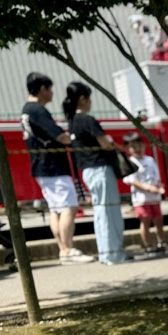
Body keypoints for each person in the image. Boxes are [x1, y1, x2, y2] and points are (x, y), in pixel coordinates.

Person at [21, 72, 94, 264]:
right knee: (69, 206)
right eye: (50, 89)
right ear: (42, 89)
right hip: (52, 166)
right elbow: (59, 136)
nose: (52, 93)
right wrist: (74, 138)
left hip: (40, 166)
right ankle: (68, 249)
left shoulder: (26, 110)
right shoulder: (37, 110)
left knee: (56, 208)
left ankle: (63, 250)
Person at [63, 81, 129, 264]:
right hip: (100, 168)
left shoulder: (72, 122)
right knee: (110, 211)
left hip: (87, 170)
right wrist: (109, 141)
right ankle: (114, 253)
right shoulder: (87, 119)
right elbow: (105, 143)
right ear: (83, 99)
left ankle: (106, 253)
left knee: (101, 212)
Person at [121, 132, 168, 255]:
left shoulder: (150, 160)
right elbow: (131, 181)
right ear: (128, 149)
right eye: (133, 147)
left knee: (159, 220)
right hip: (141, 199)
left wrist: (159, 186)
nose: (138, 149)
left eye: (140, 145)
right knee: (145, 221)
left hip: (154, 197)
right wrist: (149, 188)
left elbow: (157, 177)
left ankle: (162, 242)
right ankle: (148, 245)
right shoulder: (130, 162)